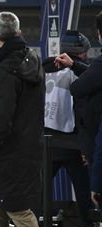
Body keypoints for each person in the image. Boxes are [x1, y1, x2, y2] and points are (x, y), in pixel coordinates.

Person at [0, 11, 45, 227]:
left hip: (6, 154)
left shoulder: (6, 71)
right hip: (27, 148)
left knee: (19, 212)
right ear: (18, 32)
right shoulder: (32, 59)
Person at [42, 30, 93, 227]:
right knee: (85, 194)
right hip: (73, 143)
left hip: (48, 140)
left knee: (38, 192)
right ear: (80, 53)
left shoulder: (45, 65)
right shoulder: (86, 72)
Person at [54, 11, 102, 210]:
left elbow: (79, 88)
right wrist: (76, 66)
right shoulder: (93, 66)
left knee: (89, 192)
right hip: (75, 141)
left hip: (72, 140)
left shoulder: (97, 65)